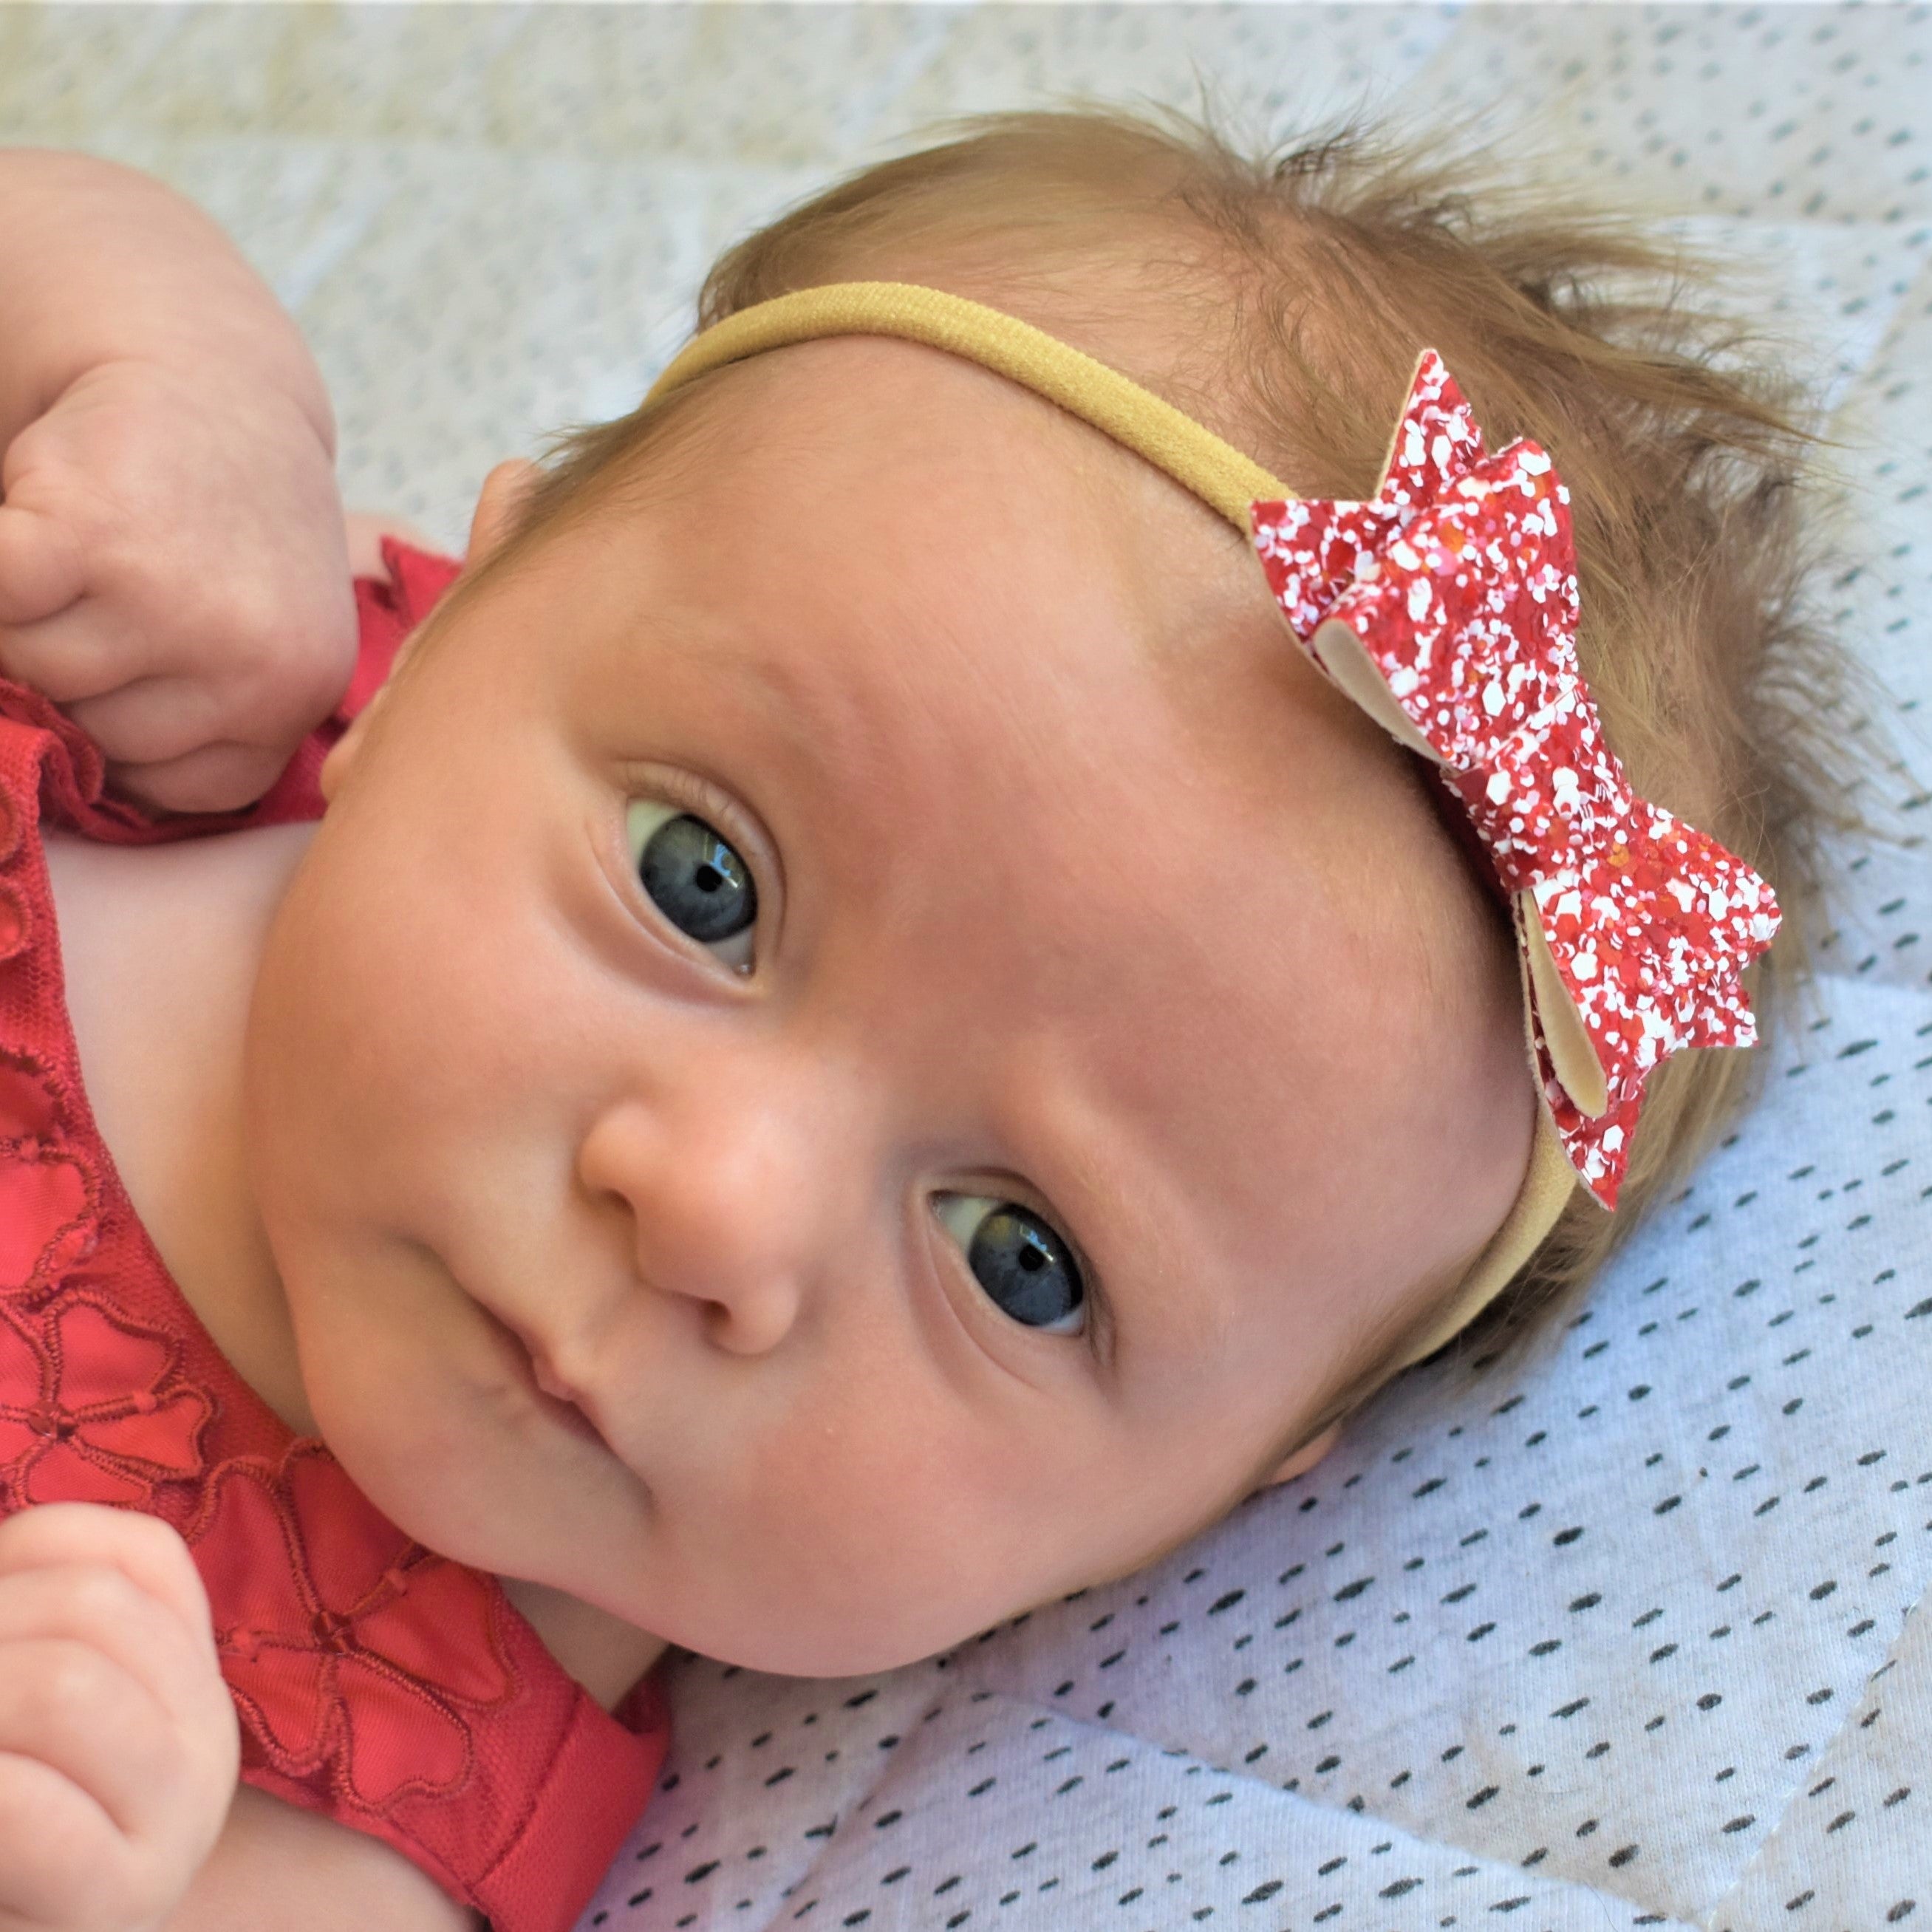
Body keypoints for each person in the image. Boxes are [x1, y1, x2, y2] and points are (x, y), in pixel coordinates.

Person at [0, 107, 1858, 1932]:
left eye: (1021, 1259)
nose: (719, 1210)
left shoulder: (320, 1807)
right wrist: (179, 366)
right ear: (481, 606)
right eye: (700, 882)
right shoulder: (212, 657)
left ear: (1189, 1509)